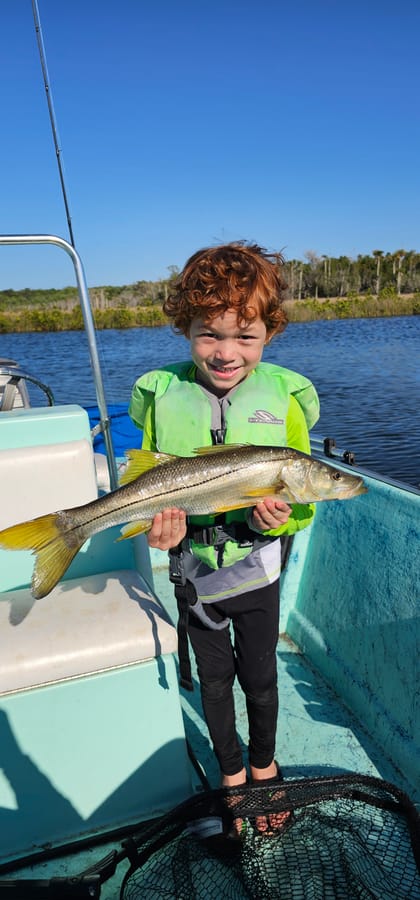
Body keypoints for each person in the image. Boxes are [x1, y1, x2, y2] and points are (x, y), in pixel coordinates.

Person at [129, 241, 319, 834]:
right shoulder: (164, 397)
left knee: (260, 679)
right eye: (209, 334)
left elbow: (302, 505)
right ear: (184, 329)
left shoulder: (284, 402)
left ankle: (264, 768)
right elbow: (151, 480)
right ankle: (232, 778)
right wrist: (158, 536)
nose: (226, 352)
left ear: (270, 333)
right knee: (214, 681)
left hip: (257, 572)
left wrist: (279, 519)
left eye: (246, 336)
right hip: (194, 573)